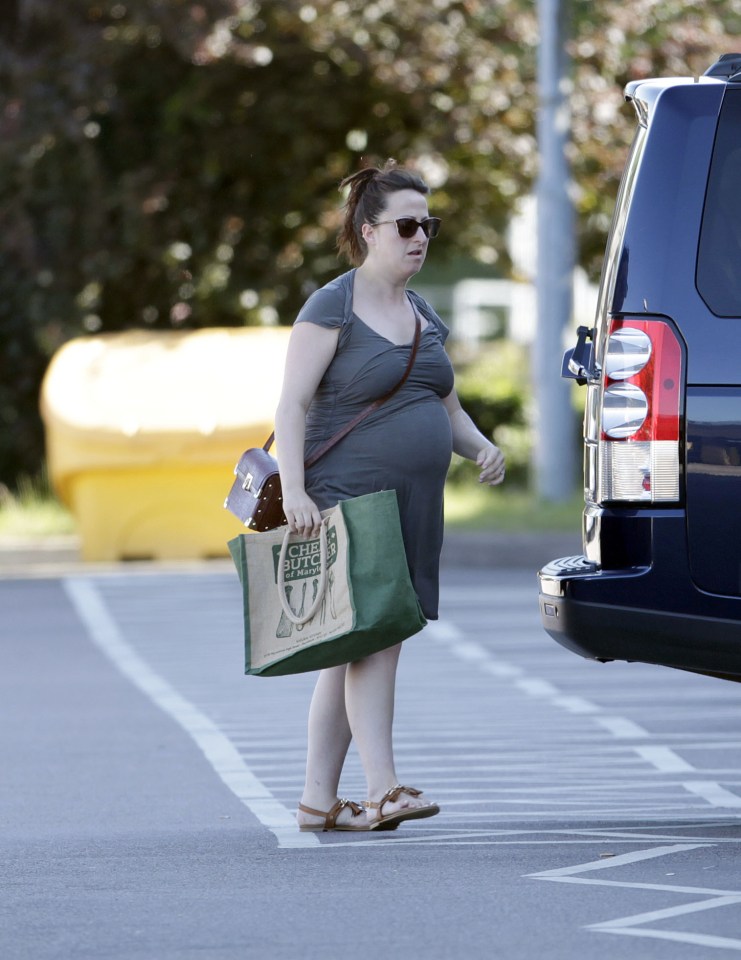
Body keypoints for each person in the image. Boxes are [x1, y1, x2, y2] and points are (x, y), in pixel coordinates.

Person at [274, 160, 505, 832]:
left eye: (427, 224)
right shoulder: (332, 305)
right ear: (367, 230)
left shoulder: (421, 312)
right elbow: (290, 405)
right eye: (406, 224)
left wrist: (480, 445)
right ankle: (383, 788)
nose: (420, 236)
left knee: (355, 646)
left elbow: (445, 406)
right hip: (348, 499)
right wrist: (293, 490)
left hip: (412, 507)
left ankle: (318, 800)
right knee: (377, 642)